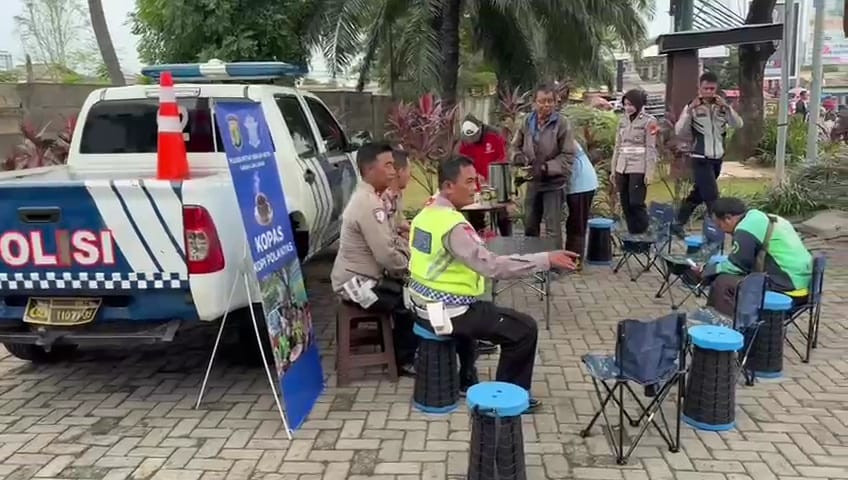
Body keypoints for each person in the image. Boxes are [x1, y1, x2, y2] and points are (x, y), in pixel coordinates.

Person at [406, 155, 579, 411]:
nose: (476, 187)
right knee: (523, 329)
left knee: (481, 310)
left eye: (476, 180)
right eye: (469, 181)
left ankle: (466, 379)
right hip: (448, 312)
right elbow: (492, 266)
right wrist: (546, 259)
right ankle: (508, 397)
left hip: (419, 305)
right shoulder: (452, 226)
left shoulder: (426, 212)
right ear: (448, 186)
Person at [330, 142, 416, 374]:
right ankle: (403, 361)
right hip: (355, 285)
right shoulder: (368, 204)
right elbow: (386, 255)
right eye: (387, 165)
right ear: (369, 170)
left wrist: (406, 260)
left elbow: (392, 239)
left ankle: (407, 353)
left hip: (366, 277)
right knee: (408, 302)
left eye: (394, 165)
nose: (393, 171)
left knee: (407, 291)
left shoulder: (375, 198)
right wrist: (410, 267)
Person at [696, 197, 812, 316]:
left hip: (787, 289)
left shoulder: (744, 230)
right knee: (734, 278)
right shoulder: (763, 217)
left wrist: (709, 270)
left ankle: (725, 325)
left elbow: (737, 265)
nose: (722, 230)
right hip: (805, 287)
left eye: (719, 225)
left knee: (722, 282)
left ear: (728, 218)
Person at [673, 71, 743, 238]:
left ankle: (677, 223)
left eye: (712, 89)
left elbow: (738, 124)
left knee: (698, 194)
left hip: (716, 158)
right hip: (700, 157)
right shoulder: (693, 107)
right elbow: (679, 130)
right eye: (706, 88)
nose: (709, 92)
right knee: (712, 197)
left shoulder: (722, 107)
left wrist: (727, 107)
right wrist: (690, 111)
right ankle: (718, 232)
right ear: (700, 88)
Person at [513, 84, 577, 248]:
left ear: (556, 103)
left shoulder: (562, 123)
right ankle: (531, 261)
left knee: (552, 227)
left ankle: (555, 267)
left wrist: (545, 168)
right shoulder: (527, 121)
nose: (546, 105)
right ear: (534, 103)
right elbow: (514, 146)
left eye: (550, 101)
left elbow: (568, 156)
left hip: (554, 183)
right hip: (533, 181)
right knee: (529, 223)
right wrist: (518, 156)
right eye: (542, 101)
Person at [611, 88, 659, 235]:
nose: (628, 108)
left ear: (638, 104)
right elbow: (617, 146)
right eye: (625, 104)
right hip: (622, 166)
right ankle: (633, 235)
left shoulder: (650, 121)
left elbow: (651, 148)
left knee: (636, 202)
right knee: (625, 203)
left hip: (638, 166)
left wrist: (649, 172)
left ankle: (645, 231)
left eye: (631, 104)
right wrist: (613, 170)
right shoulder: (622, 120)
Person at [458, 115, 513, 236]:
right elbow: (463, 163)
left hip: (495, 183)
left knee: (502, 215)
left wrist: (492, 177)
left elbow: (502, 158)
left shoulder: (493, 137)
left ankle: (507, 240)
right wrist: (475, 175)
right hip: (475, 185)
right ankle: (478, 241)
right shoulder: (464, 142)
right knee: (474, 217)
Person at [565, 141, 598, 259]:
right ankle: (571, 256)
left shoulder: (564, 137)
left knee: (577, 223)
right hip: (577, 182)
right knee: (573, 222)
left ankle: (575, 259)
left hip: (582, 183)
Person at [384, 149, 412, 244]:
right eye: (409, 171)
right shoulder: (384, 200)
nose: (410, 176)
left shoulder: (396, 195)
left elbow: (400, 221)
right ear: (400, 172)